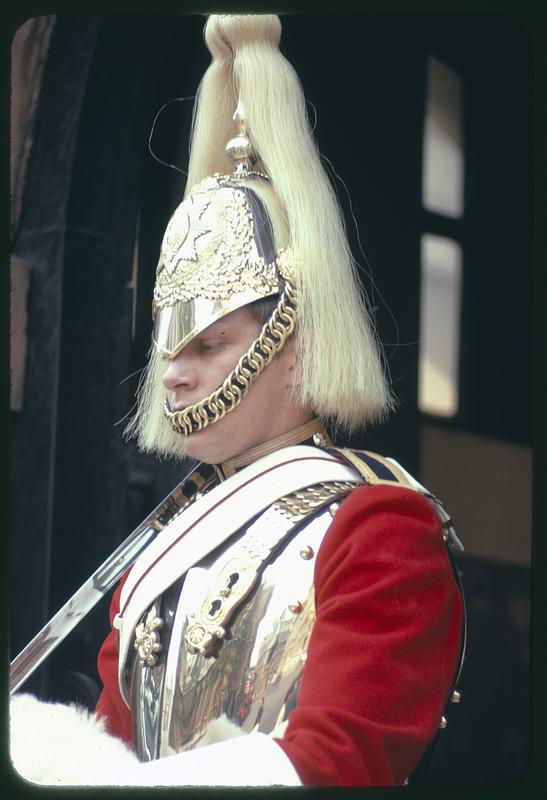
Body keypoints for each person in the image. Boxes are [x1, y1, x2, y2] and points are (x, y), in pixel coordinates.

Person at [10, 13, 465, 787]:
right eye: (169, 348)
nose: (174, 377)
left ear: (296, 348)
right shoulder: (157, 549)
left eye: (209, 346)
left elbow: (335, 764)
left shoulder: (378, 528)